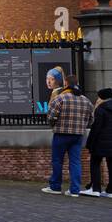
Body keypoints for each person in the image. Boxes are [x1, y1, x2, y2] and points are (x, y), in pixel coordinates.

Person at [42, 67, 93, 197]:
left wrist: (54, 125)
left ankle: (55, 187)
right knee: (75, 162)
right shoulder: (86, 100)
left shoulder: (61, 98)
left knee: (57, 161)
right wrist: (81, 126)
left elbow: (51, 116)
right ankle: (75, 190)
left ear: (65, 84)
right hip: (77, 136)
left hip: (61, 134)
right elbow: (91, 119)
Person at [85, 87, 112, 198]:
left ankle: (96, 189)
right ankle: (111, 190)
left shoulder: (100, 109)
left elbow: (96, 128)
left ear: (101, 97)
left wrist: (90, 143)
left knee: (95, 163)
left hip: (100, 142)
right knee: (111, 165)